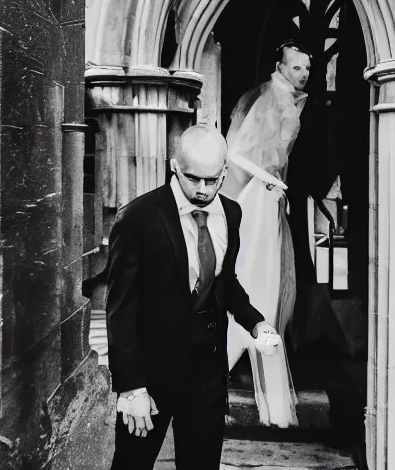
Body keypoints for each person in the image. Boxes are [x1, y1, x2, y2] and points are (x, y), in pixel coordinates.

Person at [106, 125, 279, 470]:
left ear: (225, 173)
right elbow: (121, 308)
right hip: (151, 377)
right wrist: (131, 387)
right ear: (174, 166)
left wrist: (255, 323)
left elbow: (224, 282)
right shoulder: (138, 218)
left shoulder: (232, 213)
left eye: (212, 180)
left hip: (207, 373)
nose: (203, 190)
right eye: (193, 178)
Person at [221, 41, 311, 428]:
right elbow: (235, 152)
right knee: (254, 271)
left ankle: (257, 343)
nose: (303, 73)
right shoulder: (267, 99)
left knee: (272, 278)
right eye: (296, 67)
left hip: (273, 196)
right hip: (259, 197)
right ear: (280, 66)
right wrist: (267, 182)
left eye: (307, 68)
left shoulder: (290, 99)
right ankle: (233, 352)